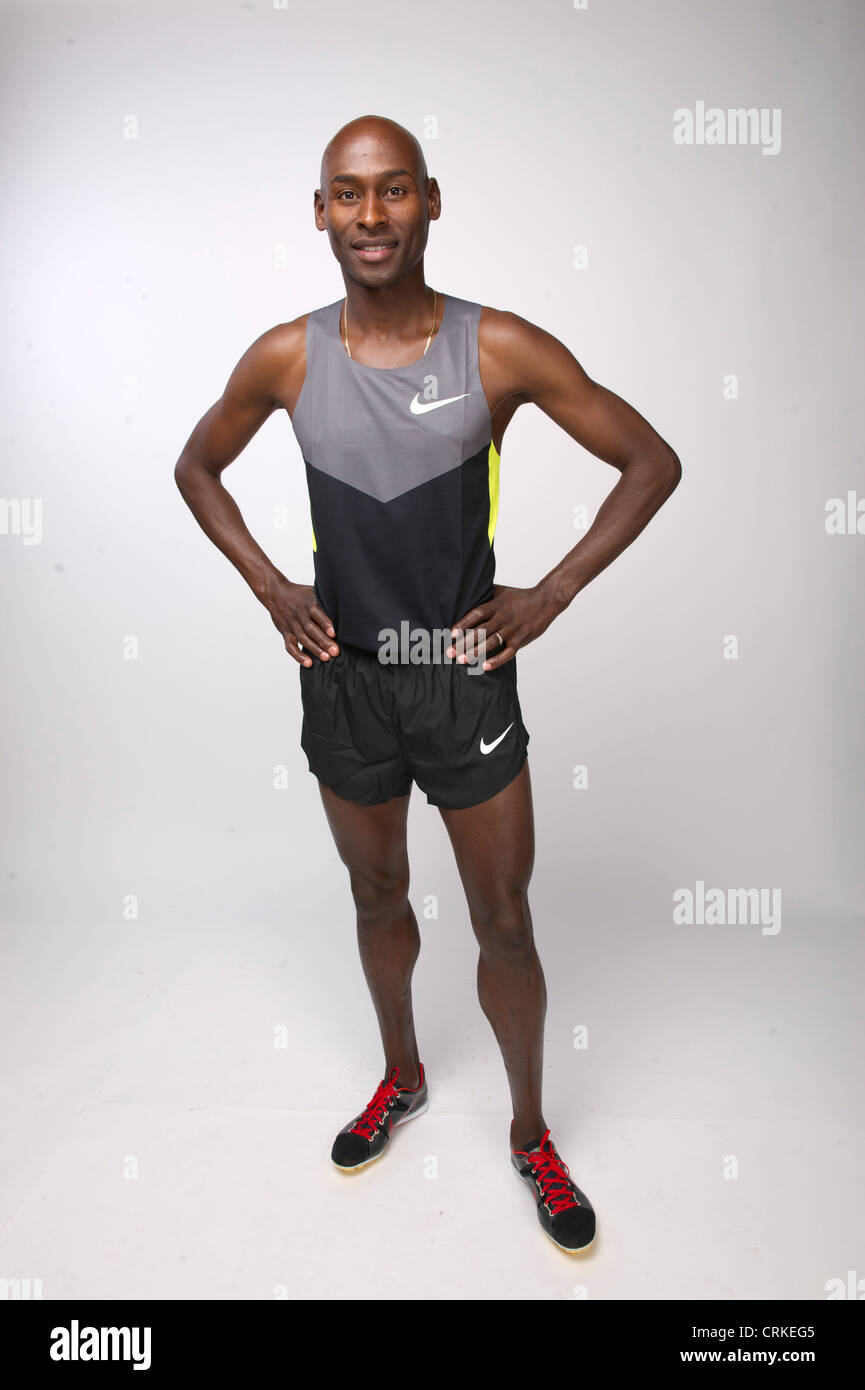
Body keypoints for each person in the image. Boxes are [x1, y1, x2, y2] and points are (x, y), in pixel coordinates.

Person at [174, 113, 682, 1255]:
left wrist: (547, 596)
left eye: (392, 191)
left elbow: (651, 460)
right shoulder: (285, 357)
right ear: (319, 213)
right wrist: (269, 586)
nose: (370, 215)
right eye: (347, 195)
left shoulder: (496, 348)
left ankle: (531, 1133)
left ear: (431, 201)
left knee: (502, 917)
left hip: (464, 681)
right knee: (375, 898)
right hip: (346, 681)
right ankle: (401, 1076)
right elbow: (195, 466)